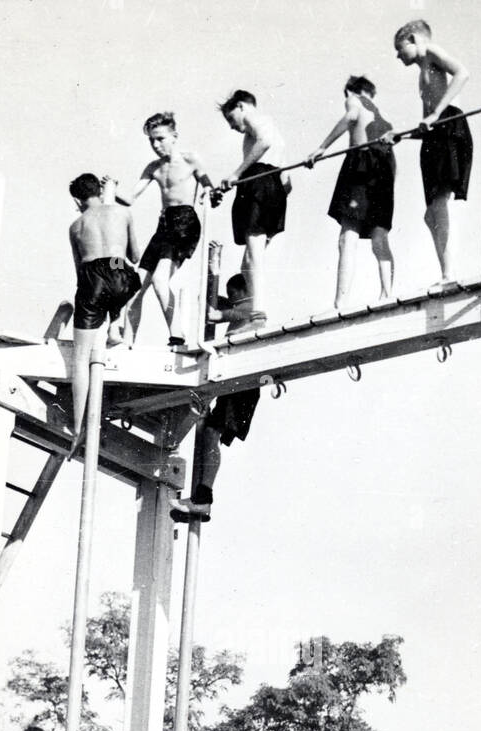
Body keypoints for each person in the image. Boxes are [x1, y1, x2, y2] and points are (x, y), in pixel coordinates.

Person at [170, 273, 261, 523]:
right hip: (238, 384)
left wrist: (209, 279)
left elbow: (215, 314)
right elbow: (220, 304)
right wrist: (210, 280)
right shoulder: (245, 310)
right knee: (210, 433)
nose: (230, 300)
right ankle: (202, 499)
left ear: (243, 293)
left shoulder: (251, 310)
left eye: (233, 295)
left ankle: (203, 499)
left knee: (211, 433)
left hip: (243, 384)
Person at [392, 18, 472, 289]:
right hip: (436, 132)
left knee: (440, 204)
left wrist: (437, 113)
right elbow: (426, 125)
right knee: (431, 213)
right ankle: (446, 271)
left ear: (413, 39)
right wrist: (400, 136)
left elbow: (462, 72)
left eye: (399, 47)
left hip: (449, 124)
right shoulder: (422, 71)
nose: (397, 55)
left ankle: (449, 275)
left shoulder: (432, 52)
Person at [124, 112, 214, 348]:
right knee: (134, 288)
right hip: (163, 226)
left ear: (174, 136)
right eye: (152, 140)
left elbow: (208, 184)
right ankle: (127, 343)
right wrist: (108, 191)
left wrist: (208, 190)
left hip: (184, 222)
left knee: (160, 279)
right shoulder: (153, 168)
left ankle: (177, 334)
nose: (156, 145)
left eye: (160, 138)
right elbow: (130, 197)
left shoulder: (190, 159)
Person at [307, 76, 395, 308]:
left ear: (350, 91)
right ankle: (387, 293)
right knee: (379, 236)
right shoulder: (381, 114)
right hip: (384, 169)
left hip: (361, 162)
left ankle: (340, 301)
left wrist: (322, 147)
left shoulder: (354, 100)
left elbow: (351, 116)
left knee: (348, 235)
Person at [67, 172, 141, 445]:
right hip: (117, 269)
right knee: (131, 277)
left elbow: (80, 271)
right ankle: (115, 323)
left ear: (77, 199)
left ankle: (76, 428)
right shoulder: (122, 213)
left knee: (81, 357)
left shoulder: (76, 226)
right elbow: (135, 256)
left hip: (91, 276)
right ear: (99, 190)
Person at [217, 90, 289, 324]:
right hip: (275, 184)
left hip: (257, 181)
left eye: (230, 119)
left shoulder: (254, 119)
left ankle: (258, 311)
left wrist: (237, 173)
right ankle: (249, 311)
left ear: (240, 107)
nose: (231, 126)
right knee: (247, 261)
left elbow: (264, 142)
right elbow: (287, 183)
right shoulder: (275, 130)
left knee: (254, 254)